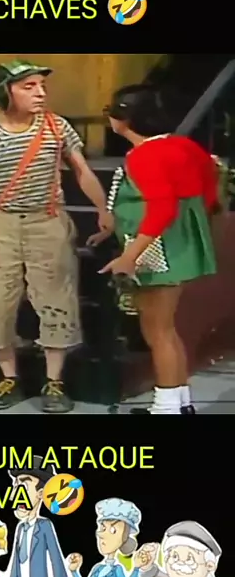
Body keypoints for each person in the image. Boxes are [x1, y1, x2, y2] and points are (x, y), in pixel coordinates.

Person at [0, 58, 113, 413]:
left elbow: (82, 170)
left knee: (56, 298)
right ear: (4, 92)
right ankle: (8, 376)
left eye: (42, 86)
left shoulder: (56, 126)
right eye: (29, 86)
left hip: (47, 220)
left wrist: (102, 208)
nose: (40, 93)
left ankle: (54, 380)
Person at [89, 84, 219, 415]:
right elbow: (208, 190)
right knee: (167, 329)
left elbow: (162, 209)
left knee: (157, 331)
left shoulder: (144, 155)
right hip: (177, 244)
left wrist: (129, 256)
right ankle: (179, 402)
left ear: (123, 119)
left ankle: (165, 408)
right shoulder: (183, 145)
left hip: (155, 247)